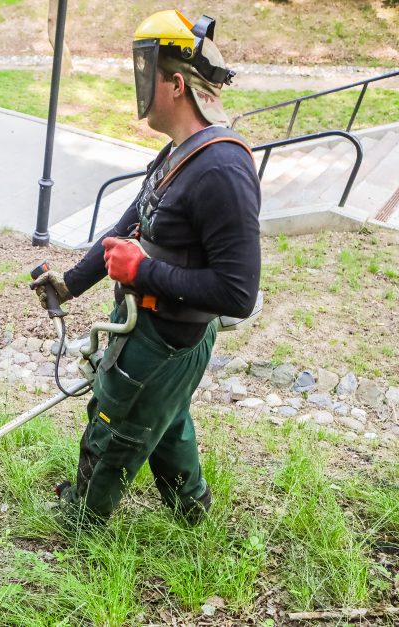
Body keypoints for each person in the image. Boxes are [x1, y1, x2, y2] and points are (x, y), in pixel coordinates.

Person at [32, 9, 261, 525]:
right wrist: (72, 283)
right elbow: (130, 224)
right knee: (167, 417)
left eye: (145, 73)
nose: (138, 84)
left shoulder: (222, 168)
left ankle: (81, 519)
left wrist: (141, 273)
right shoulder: (180, 153)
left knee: (114, 423)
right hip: (152, 329)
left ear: (175, 84)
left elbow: (239, 293)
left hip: (169, 338)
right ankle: (191, 510)